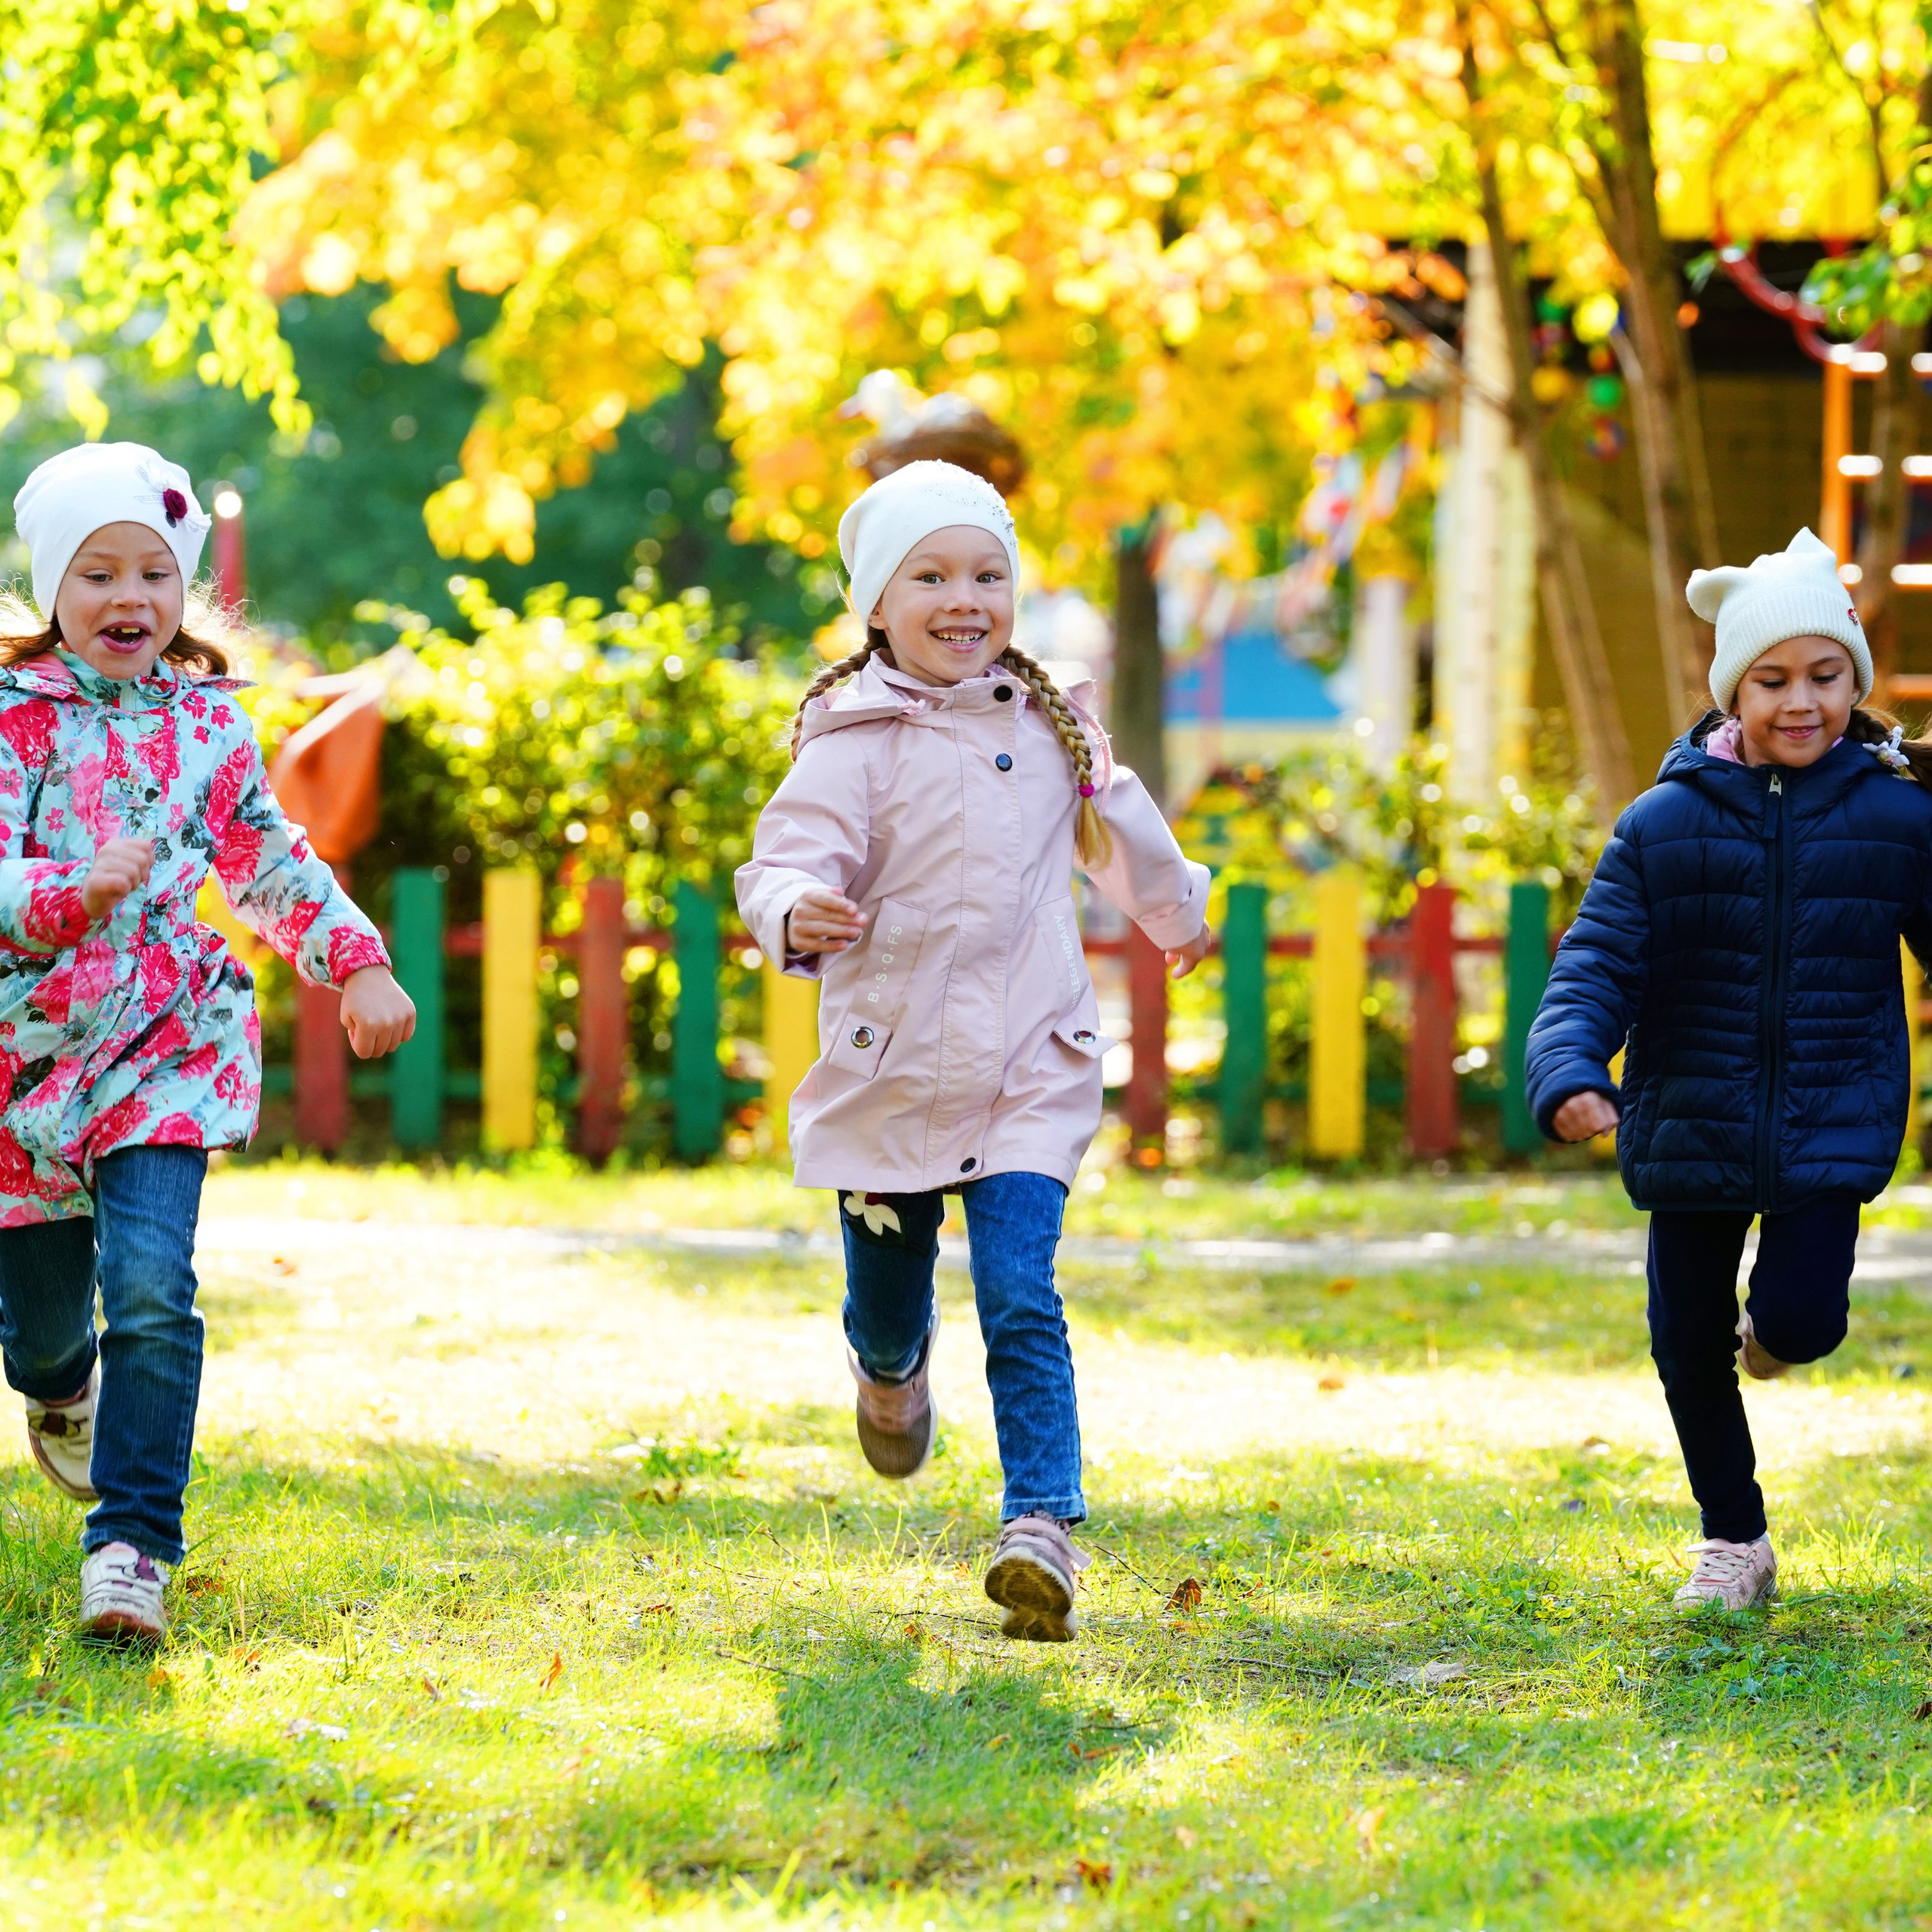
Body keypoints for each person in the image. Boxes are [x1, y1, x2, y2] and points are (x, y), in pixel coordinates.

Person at [736, 460, 1209, 1641]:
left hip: (1027, 1064)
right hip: (888, 1067)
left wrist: (1178, 912)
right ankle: (890, 1371)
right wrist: (796, 909)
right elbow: (786, 852)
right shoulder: (852, 739)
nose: (967, 599)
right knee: (889, 1302)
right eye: (932, 575)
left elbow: (1125, 823)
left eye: (988, 574)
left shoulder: (1047, 721)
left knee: (1020, 1292)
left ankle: (1040, 1526)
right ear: (878, 607)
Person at [0, 443, 417, 1641]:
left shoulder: (207, 726)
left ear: (184, 590)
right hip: (25, 1057)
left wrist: (358, 961)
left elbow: (270, 859)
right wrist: (66, 891)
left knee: (151, 1285)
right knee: (39, 1328)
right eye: (96, 573)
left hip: (164, 1046)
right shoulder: (16, 726)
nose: (128, 597)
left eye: (152, 572)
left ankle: (132, 1545)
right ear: (52, 590)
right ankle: (56, 1387)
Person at [1527, 527, 1932, 1611]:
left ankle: (1779, 1335)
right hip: (1689, 1120)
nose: (1801, 701)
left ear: (1854, 681)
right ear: (1730, 694)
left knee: (1802, 1322)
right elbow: (1597, 963)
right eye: (1773, 680)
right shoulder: (1662, 826)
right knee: (1686, 1341)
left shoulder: (1898, 819)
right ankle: (1734, 1538)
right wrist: (1570, 1067)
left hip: (1831, 1120)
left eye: (1825, 676)